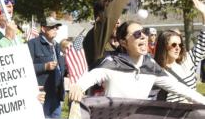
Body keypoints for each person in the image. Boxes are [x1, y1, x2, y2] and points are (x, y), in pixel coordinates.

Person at [69, 20, 205, 105]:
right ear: (123, 42)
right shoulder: (112, 63)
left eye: (144, 32)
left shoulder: (150, 66)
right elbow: (90, 77)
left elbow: (181, 89)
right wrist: (78, 87)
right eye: (137, 34)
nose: (144, 37)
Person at [83, 0, 141, 71]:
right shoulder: (95, 37)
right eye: (114, 18)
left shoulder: (120, 42)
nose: (118, 22)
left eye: (118, 17)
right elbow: (109, 16)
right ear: (98, 20)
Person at [154, 0, 205, 103]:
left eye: (180, 44)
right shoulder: (155, 71)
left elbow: (202, 44)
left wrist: (204, 14)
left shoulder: (187, 61)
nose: (178, 47)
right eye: (173, 44)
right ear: (163, 46)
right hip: (172, 117)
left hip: (192, 115)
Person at [28, 17, 65, 119]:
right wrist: (45, 66)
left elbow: (62, 67)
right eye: (52, 27)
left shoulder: (57, 45)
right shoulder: (33, 44)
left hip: (56, 92)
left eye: (56, 27)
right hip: (42, 93)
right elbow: (26, 68)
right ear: (43, 29)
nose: (55, 30)